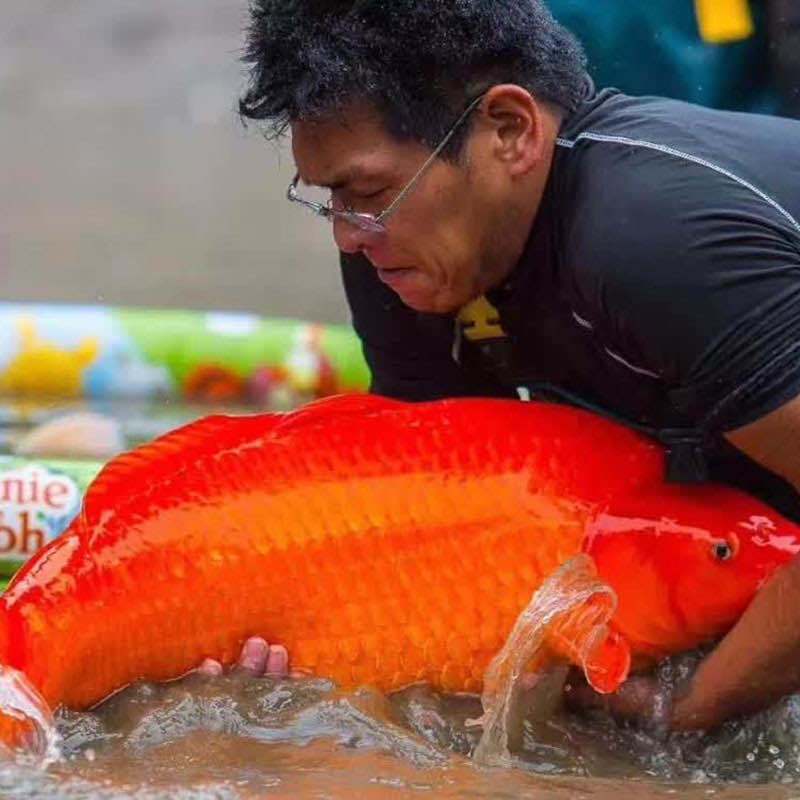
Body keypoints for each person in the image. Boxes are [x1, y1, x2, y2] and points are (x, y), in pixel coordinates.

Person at [210, 0, 800, 732]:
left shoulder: (651, 238)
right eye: (329, 198)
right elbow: (429, 523)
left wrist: (690, 710)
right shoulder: (404, 249)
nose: (348, 237)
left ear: (510, 131)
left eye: (364, 193)